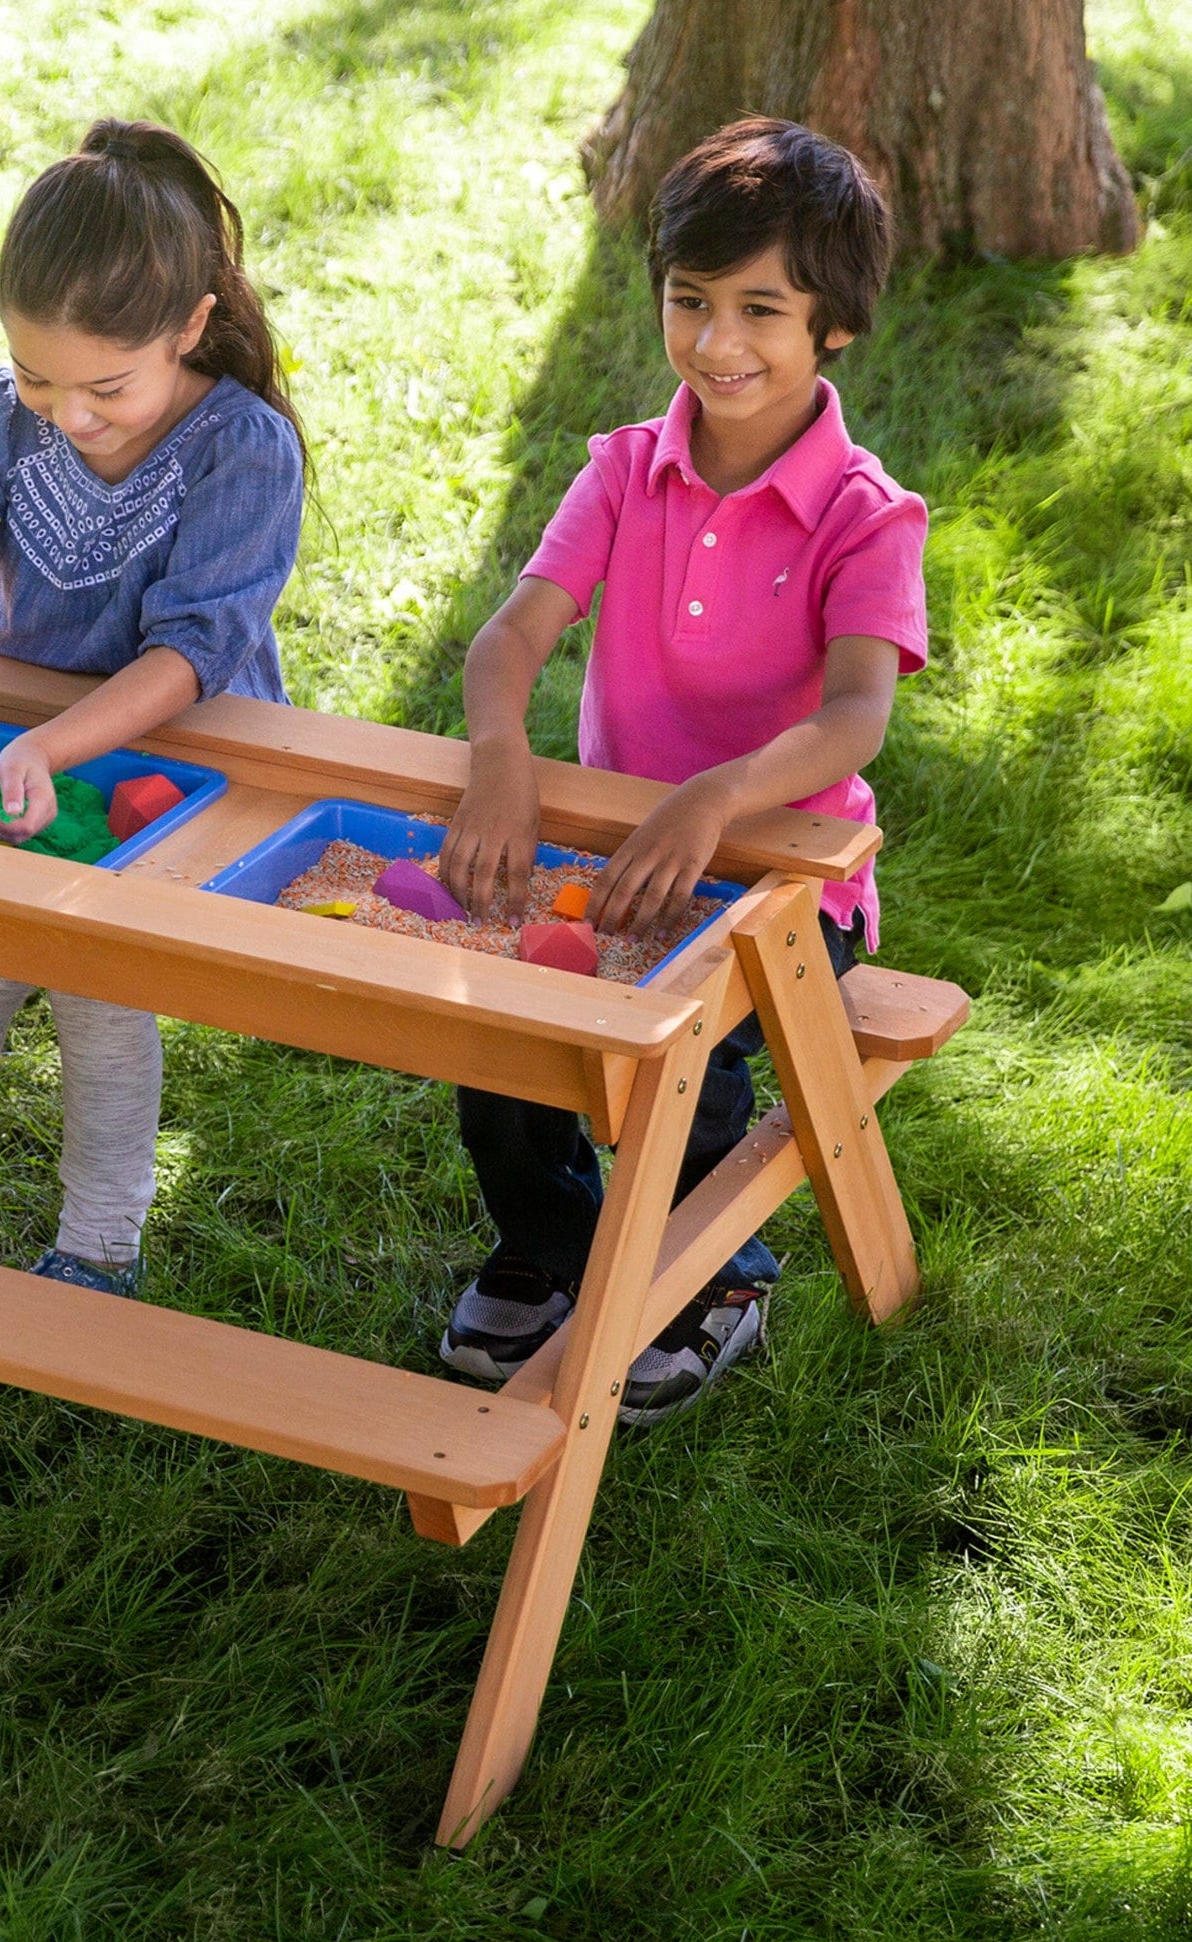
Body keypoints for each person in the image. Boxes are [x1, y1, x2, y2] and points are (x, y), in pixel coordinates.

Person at [436, 117, 928, 1418]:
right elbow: (510, 639)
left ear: (832, 327)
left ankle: (719, 1277)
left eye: (759, 309)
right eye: (689, 300)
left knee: (683, 1054)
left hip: (784, 884)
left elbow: (854, 719)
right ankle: (551, 1244)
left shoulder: (863, 515)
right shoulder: (621, 472)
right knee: (499, 1037)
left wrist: (714, 795)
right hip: (609, 860)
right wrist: (500, 757)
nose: (715, 342)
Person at [0, 118, 305, 1296]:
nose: (69, 413)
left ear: (192, 326)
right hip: (21, 744)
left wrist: (56, 741)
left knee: (99, 984)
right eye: (35, 376)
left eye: (107, 384)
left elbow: (188, 658)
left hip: (186, 760)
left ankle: (99, 1242)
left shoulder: (240, 451)